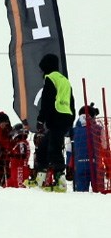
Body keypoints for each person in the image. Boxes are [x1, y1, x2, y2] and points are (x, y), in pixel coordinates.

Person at [33, 53, 75, 191]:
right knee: (44, 147)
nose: (42, 72)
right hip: (66, 117)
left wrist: (41, 119)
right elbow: (71, 102)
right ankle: (40, 180)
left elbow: (47, 100)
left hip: (57, 116)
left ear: (47, 67)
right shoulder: (65, 80)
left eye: (42, 68)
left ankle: (61, 182)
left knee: (54, 149)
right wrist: (71, 119)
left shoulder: (50, 78)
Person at [72, 105, 108, 193]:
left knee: (81, 195)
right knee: (99, 194)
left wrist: (69, 167)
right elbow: (105, 148)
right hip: (96, 165)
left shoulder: (73, 130)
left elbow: (70, 151)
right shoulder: (99, 129)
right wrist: (107, 166)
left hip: (79, 165)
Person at [6, 123, 32, 188]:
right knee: (7, 187)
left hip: (19, 170)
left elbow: (22, 156)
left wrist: (12, 154)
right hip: (15, 170)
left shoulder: (22, 143)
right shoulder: (20, 143)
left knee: (19, 189)